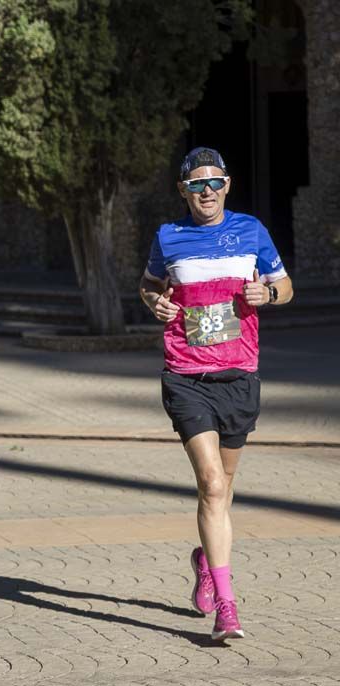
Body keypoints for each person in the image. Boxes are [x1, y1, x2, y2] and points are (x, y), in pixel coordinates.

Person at [139, 147, 293, 642]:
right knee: (210, 484)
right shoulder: (168, 237)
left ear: (227, 186)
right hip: (185, 374)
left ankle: (206, 559)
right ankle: (227, 607)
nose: (207, 192)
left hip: (239, 376)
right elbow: (147, 286)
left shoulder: (252, 231)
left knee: (223, 489)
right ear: (182, 190)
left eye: (216, 183)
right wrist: (156, 303)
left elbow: (286, 286)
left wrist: (265, 295)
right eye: (197, 185)